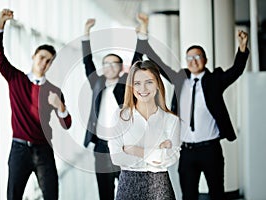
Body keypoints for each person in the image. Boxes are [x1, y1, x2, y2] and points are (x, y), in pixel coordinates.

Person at [135, 13, 250, 200]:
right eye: (189, 57)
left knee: (216, 194)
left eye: (197, 57)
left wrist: (242, 49)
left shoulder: (214, 80)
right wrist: (144, 33)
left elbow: (235, 71)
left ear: (205, 60)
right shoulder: (180, 79)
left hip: (210, 149)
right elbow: (157, 62)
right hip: (186, 151)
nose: (193, 61)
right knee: (188, 195)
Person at [0, 9, 72, 200]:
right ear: (33, 57)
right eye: (41, 58)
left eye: (48, 61)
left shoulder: (54, 90)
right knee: (13, 196)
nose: (44, 63)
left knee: (52, 196)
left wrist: (60, 106)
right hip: (19, 149)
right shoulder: (15, 78)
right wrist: (1, 24)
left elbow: (66, 124)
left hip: (44, 150)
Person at [81, 18, 143, 200]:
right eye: (105, 63)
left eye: (113, 64)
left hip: (124, 146)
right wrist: (86, 32)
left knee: (128, 190)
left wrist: (141, 34)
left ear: (120, 67)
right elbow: (87, 61)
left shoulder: (126, 84)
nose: (109, 67)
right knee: (105, 191)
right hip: (101, 146)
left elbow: (138, 60)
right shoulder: (97, 82)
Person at [108, 60, 181, 200]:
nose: (143, 88)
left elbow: (171, 158)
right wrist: (156, 153)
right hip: (128, 186)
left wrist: (135, 150)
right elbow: (116, 157)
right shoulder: (120, 116)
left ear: (158, 84)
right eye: (137, 83)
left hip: (160, 187)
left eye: (149, 82)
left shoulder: (171, 120)